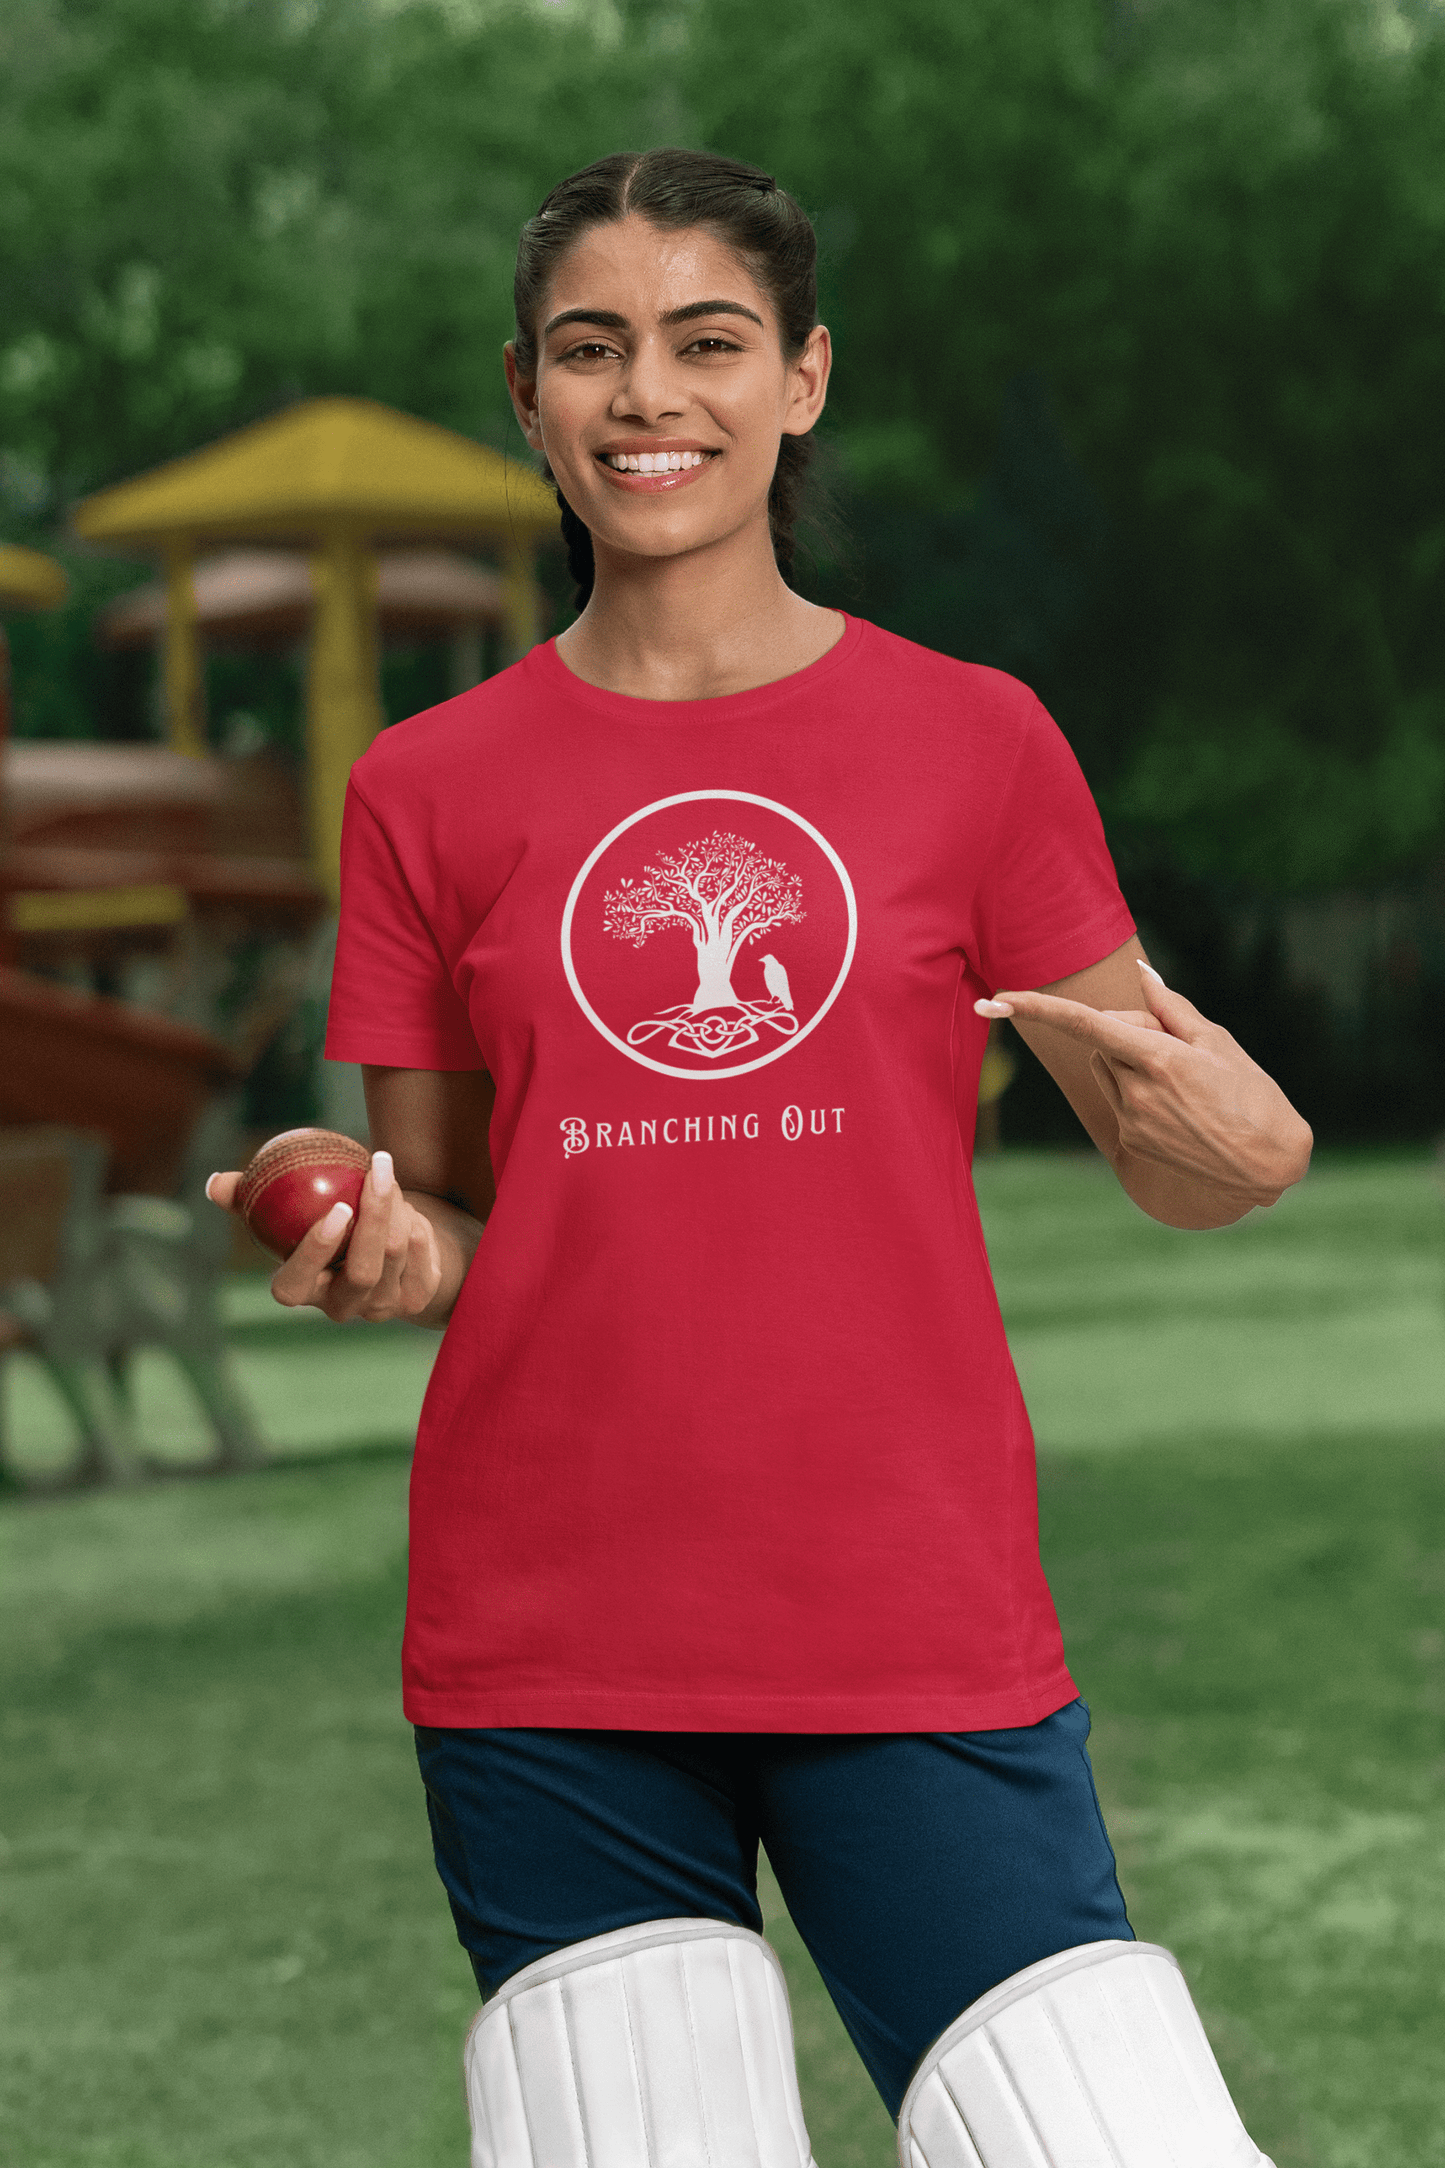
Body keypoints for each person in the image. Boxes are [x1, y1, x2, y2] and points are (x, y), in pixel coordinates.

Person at [208, 149, 1310, 2168]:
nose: (649, 396)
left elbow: (1174, 1143)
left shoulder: (969, 741)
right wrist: (365, 1231)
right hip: (546, 1630)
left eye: (706, 343)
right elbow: (447, 1205)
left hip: (900, 1596)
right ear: (525, 397)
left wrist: (1236, 1140)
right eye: (591, 350)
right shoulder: (425, 789)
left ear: (801, 378)